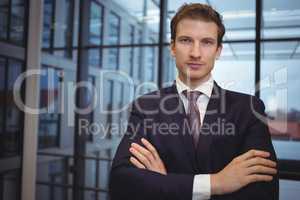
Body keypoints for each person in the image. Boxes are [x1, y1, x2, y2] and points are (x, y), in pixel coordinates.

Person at [109, 3, 279, 200]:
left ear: (218, 50)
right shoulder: (145, 107)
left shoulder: (249, 109)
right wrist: (216, 183)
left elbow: (263, 193)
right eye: (186, 40)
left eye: (207, 42)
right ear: (172, 47)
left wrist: (164, 185)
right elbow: (121, 183)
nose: (196, 53)